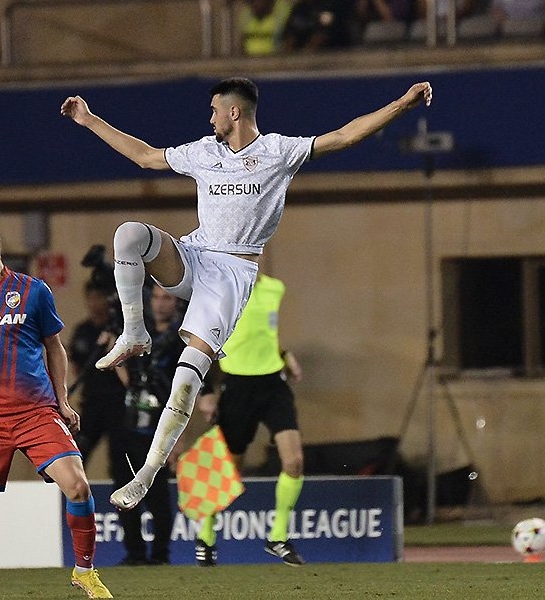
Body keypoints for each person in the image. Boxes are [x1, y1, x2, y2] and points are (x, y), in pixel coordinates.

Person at [60, 76, 433, 514]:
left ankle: (146, 474)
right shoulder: (205, 152)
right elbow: (145, 156)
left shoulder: (277, 152)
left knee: (186, 379)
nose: (210, 117)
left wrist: (402, 104)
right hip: (194, 254)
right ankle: (135, 333)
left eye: (215, 110)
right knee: (129, 235)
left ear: (234, 112)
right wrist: (88, 120)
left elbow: (345, 135)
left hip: (232, 273)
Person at [0, 217, 111, 599]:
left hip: (35, 413)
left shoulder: (33, 291)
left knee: (77, 487)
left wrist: (62, 400)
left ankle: (85, 572)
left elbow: (54, 347)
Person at [195, 271, 305, 566]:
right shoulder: (222, 290)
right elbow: (204, 337)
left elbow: (265, 333)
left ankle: (278, 537)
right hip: (238, 386)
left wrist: (285, 354)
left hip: (273, 384)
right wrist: (206, 390)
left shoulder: (275, 287)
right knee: (230, 470)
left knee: (294, 461)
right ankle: (206, 534)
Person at [113, 285, 185, 565]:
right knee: (125, 492)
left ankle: (160, 555)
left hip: (161, 427)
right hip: (131, 426)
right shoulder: (139, 332)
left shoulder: (180, 339)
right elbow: (117, 360)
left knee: (158, 498)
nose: (159, 303)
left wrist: (179, 438)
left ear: (175, 302)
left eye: (166, 298)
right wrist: (131, 384)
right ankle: (134, 553)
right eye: (155, 297)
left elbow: (185, 389)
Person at [68, 279, 127, 468]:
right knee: (79, 449)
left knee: (119, 454)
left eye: (99, 298)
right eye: (90, 298)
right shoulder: (82, 331)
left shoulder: (118, 330)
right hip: (92, 400)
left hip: (117, 401)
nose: (94, 303)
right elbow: (76, 365)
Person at [282, 0, 359, 51]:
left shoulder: (330, 7)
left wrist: (304, 54)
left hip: (328, 57)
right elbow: (290, 35)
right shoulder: (299, 8)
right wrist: (290, 56)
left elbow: (322, 35)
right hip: (296, 60)